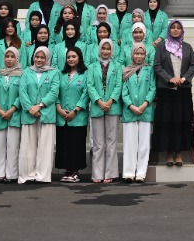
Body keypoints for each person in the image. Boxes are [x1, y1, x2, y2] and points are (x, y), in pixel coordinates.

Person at [152, 20, 194, 167]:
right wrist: (169, 78)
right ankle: (169, 153)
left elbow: (193, 65)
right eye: (173, 28)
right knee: (167, 122)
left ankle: (179, 153)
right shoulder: (161, 47)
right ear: (169, 30)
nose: (175, 30)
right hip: (166, 90)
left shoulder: (187, 47)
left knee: (181, 122)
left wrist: (183, 79)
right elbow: (157, 65)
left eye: (178, 28)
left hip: (182, 91)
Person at [18, 46, 59, 183]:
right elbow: (22, 91)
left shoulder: (54, 72)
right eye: (37, 57)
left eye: (42, 57)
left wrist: (40, 106)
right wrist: (30, 108)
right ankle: (28, 175)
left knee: (45, 147)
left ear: (47, 58)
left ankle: (42, 176)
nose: (39, 60)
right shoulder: (26, 72)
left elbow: (54, 92)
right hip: (29, 114)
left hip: (46, 113)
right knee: (27, 146)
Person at [88, 38, 123, 182]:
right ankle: (97, 174)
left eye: (108, 49)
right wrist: (99, 101)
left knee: (111, 141)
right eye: (103, 48)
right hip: (97, 106)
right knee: (98, 143)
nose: (105, 51)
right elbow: (90, 85)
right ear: (99, 49)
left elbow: (119, 85)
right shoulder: (92, 67)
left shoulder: (117, 66)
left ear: (112, 50)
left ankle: (110, 173)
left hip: (112, 106)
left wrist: (109, 101)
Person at [121, 43, 156, 183]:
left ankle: (141, 173)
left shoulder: (150, 70)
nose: (139, 56)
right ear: (132, 54)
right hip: (129, 111)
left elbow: (152, 89)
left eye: (142, 54)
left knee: (144, 144)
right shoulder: (126, 70)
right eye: (136, 53)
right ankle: (129, 173)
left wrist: (144, 104)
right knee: (130, 144)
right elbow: (123, 92)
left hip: (145, 111)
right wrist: (131, 106)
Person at [54, 47, 90, 182]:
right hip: (62, 115)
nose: (71, 59)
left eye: (74, 56)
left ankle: (75, 171)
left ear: (79, 58)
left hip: (78, 116)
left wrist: (76, 110)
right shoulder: (61, 74)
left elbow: (86, 94)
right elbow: (55, 92)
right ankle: (67, 170)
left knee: (76, 144)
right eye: (68, 57)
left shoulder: (85, 74)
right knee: (64, 144)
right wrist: (59, 108)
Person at [0, 46, 23, 183]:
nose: (9, 59)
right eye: (7, 56)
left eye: (12, 56)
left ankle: (12, 174)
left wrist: (12, 109)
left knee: (13, 146)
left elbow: (22, 94)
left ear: (17, 58)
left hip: (14, 114)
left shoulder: (22, 74)